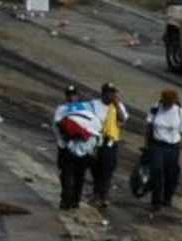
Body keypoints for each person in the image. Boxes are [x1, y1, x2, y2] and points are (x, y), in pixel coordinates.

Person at [53, 83, 104, 211]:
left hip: (83, 148)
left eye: (73, 95)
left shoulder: (86, 108)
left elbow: (95, 126)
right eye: (69, 95)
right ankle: (67, 199)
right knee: (67, 176)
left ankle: (73, 201)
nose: (71, 98)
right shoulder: (61, 109)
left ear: (78, 96)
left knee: (78, 176)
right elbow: (57, 127)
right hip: (66, 148)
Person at [143, 88, 182, 210]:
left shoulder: (179, 111)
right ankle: (156, 201)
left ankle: (167, 197)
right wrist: (146, 145)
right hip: (157, 145)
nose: (168, 105)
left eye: (170, 102)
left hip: (172, 148)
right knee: (157, 170)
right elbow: (149, 127)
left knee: (172, 174)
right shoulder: (156, 108)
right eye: (166, 102)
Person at [92, 83, 130, 208]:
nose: (111, 95)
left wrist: (117, 104)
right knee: (96, 168)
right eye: (109, 93)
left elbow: (122, 119)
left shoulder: (117, 106)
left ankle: (104, 196)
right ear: (103, 93)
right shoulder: (95, 105)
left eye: (113, 93)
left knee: (107, 169)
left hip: (110, 141)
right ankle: (96, 193)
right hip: (96, 140)